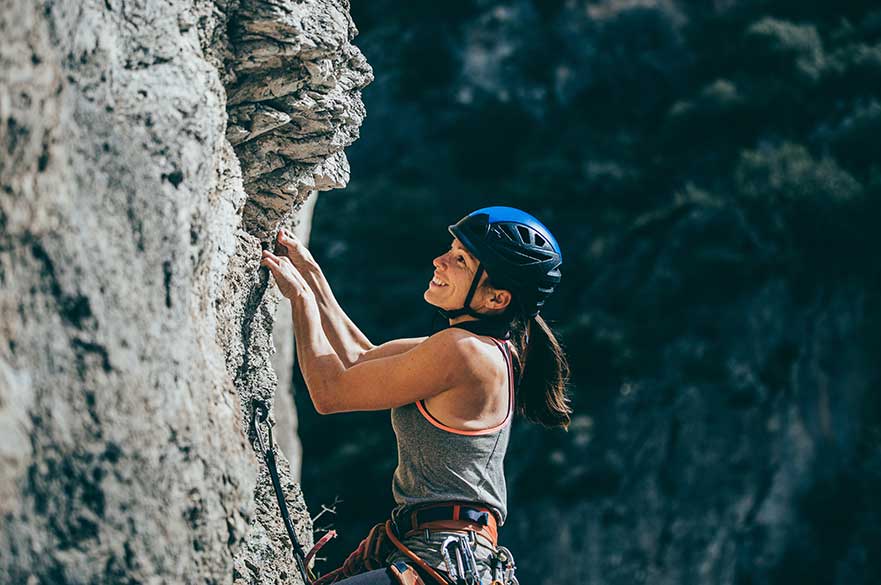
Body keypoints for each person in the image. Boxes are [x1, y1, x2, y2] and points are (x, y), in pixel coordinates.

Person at [259, 207, 571, 585]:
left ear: (496, 299)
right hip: (449, 553)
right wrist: (312, 276)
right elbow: (361, 357)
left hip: (442, 555)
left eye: (460, 260)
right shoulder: (479, 348)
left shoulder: (464, 352)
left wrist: (300, 302)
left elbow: (330, 392)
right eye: (450, 248)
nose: (438, 261)